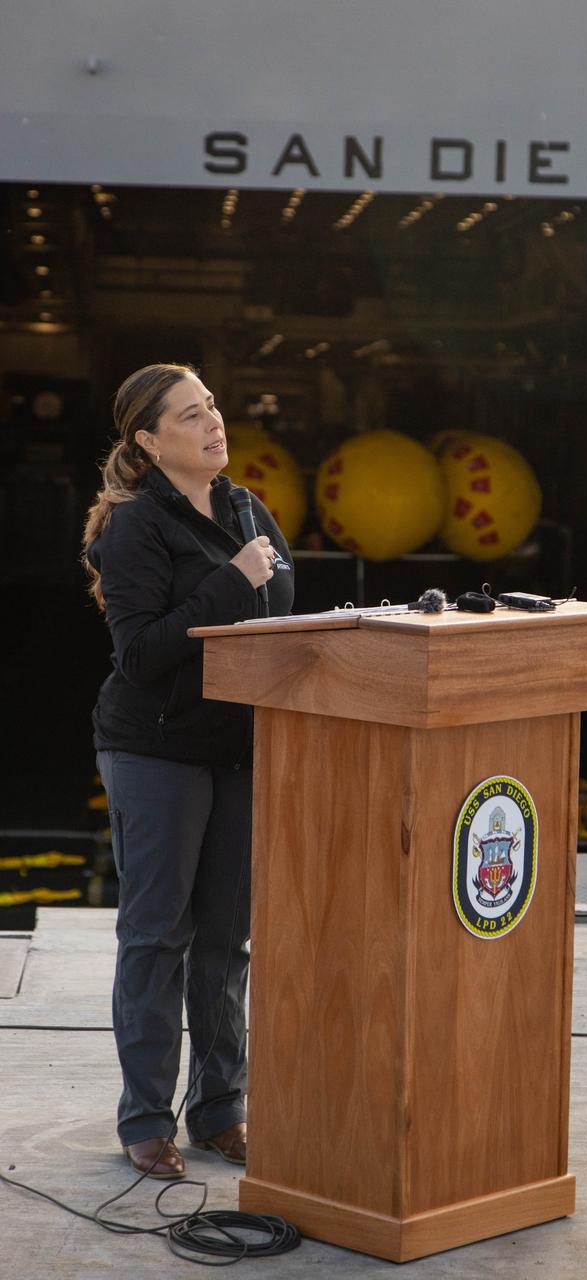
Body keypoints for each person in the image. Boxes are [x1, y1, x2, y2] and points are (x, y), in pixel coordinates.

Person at [83, 363, 294, 1179]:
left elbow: (277, 625)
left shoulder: (245, 509)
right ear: (148, 440)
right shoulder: (136, 526)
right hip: (155, 749)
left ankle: (218, 1111)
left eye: (211, 406)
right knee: (156, 936)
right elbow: (140, 654)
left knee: (223, 941)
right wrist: (231, 580)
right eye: (190, 414)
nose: (213, 423)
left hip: (238, 748)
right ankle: (145, 1119)